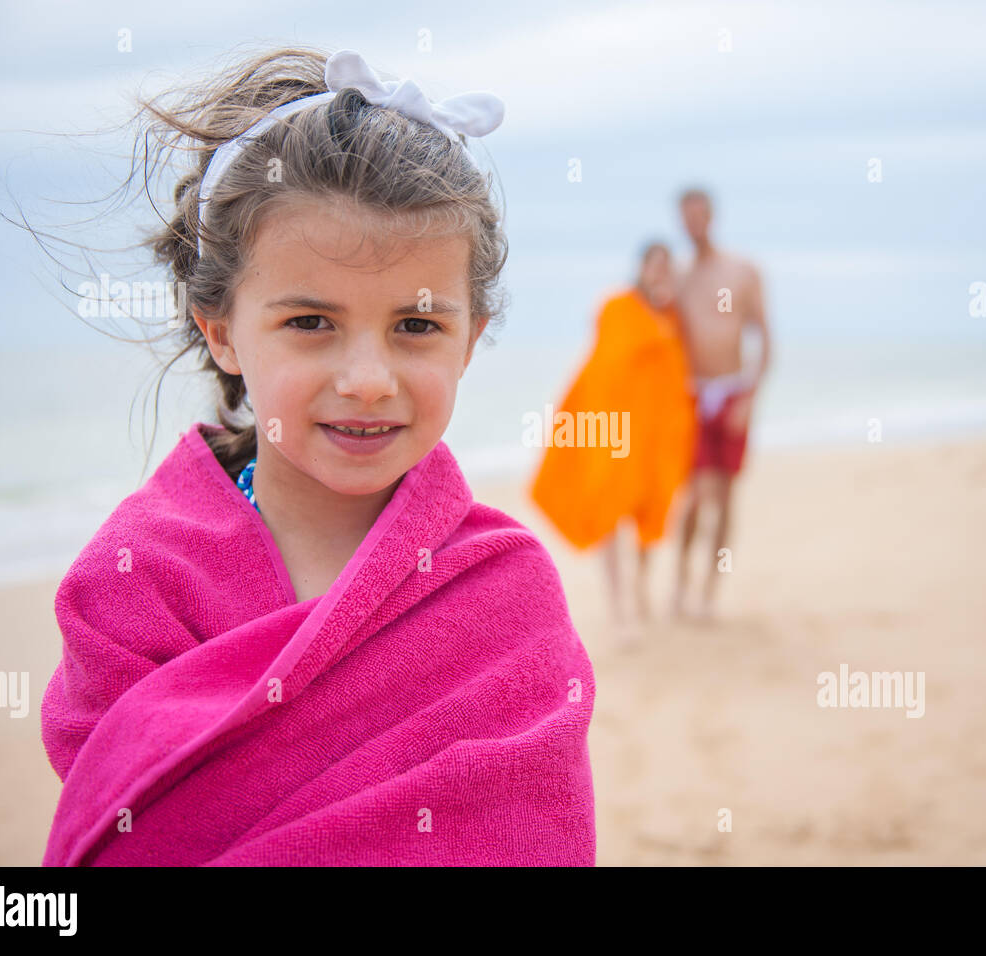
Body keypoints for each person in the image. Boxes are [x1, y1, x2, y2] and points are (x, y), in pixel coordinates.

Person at [35, 47, 596, 865]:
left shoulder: (507, 596)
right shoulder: (132, 580)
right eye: (310, 323)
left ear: (471, 340)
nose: (367, 381)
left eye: (417, 325)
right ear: (221, 330)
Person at [530, 242, 696, 626]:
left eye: (666, 268)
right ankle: (619, 606)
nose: (660, 274)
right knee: (608, 512)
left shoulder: (672, 315)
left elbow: (675, 377)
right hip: (613, 433)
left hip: (653, 437)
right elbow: (605, 367)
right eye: (654, 266)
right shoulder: (616, 307)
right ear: (641, 267)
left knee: (651, 511)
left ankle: (639, 588)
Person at [671, 186, 772, 622]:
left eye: (700, 216)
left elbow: (765, 340)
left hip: (732, 392)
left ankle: (709, 594)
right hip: (691, 395)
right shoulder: (677, 275)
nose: (694, 225)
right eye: (686, 218)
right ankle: (680, 583)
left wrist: (750, 397)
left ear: (712, 217)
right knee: (692, 498)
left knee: (725, 498)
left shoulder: (742, 271)